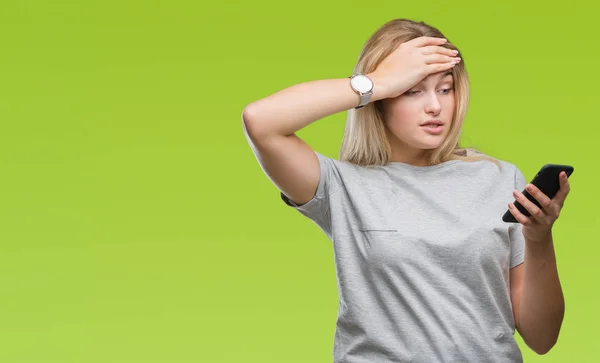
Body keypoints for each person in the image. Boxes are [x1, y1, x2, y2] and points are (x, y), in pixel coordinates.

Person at [241, 18, 569, 363]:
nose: (435, 107)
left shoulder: (500, 179)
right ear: (380, 99)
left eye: (446, 89)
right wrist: (377, 81)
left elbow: (542, 337)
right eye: (413, 90)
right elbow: (261, 121)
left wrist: (538, 237)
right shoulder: (342, 186)